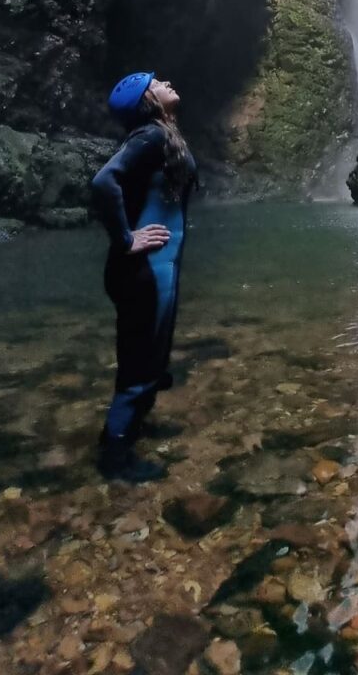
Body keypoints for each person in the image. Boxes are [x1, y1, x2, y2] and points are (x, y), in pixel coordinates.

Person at [92, 71, 197, 483]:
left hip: (157, 269)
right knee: (137, 370)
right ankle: (114, 459)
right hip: (143, 271)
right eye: (156, 81)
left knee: (152, 360)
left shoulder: (161, 136)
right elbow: (104, 182)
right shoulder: (150, 137)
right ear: (147, 101)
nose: (167, 80)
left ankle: (134, 429)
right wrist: (125, 239)